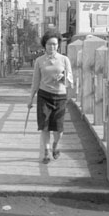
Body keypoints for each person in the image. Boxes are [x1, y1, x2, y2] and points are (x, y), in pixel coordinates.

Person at [27, 30, 73, 164]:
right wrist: (31, 99)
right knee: (44, 126)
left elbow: (70, 79)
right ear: (44, 45)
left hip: (60, 96)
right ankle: (46, 152)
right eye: (48, 44)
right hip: (44, 96)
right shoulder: (39, 61)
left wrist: (64, 77)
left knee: (58, 128)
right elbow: (35, 81)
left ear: (58, 45)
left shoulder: (64, 60)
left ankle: (56, 144)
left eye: (54, 44)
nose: (51, 47)